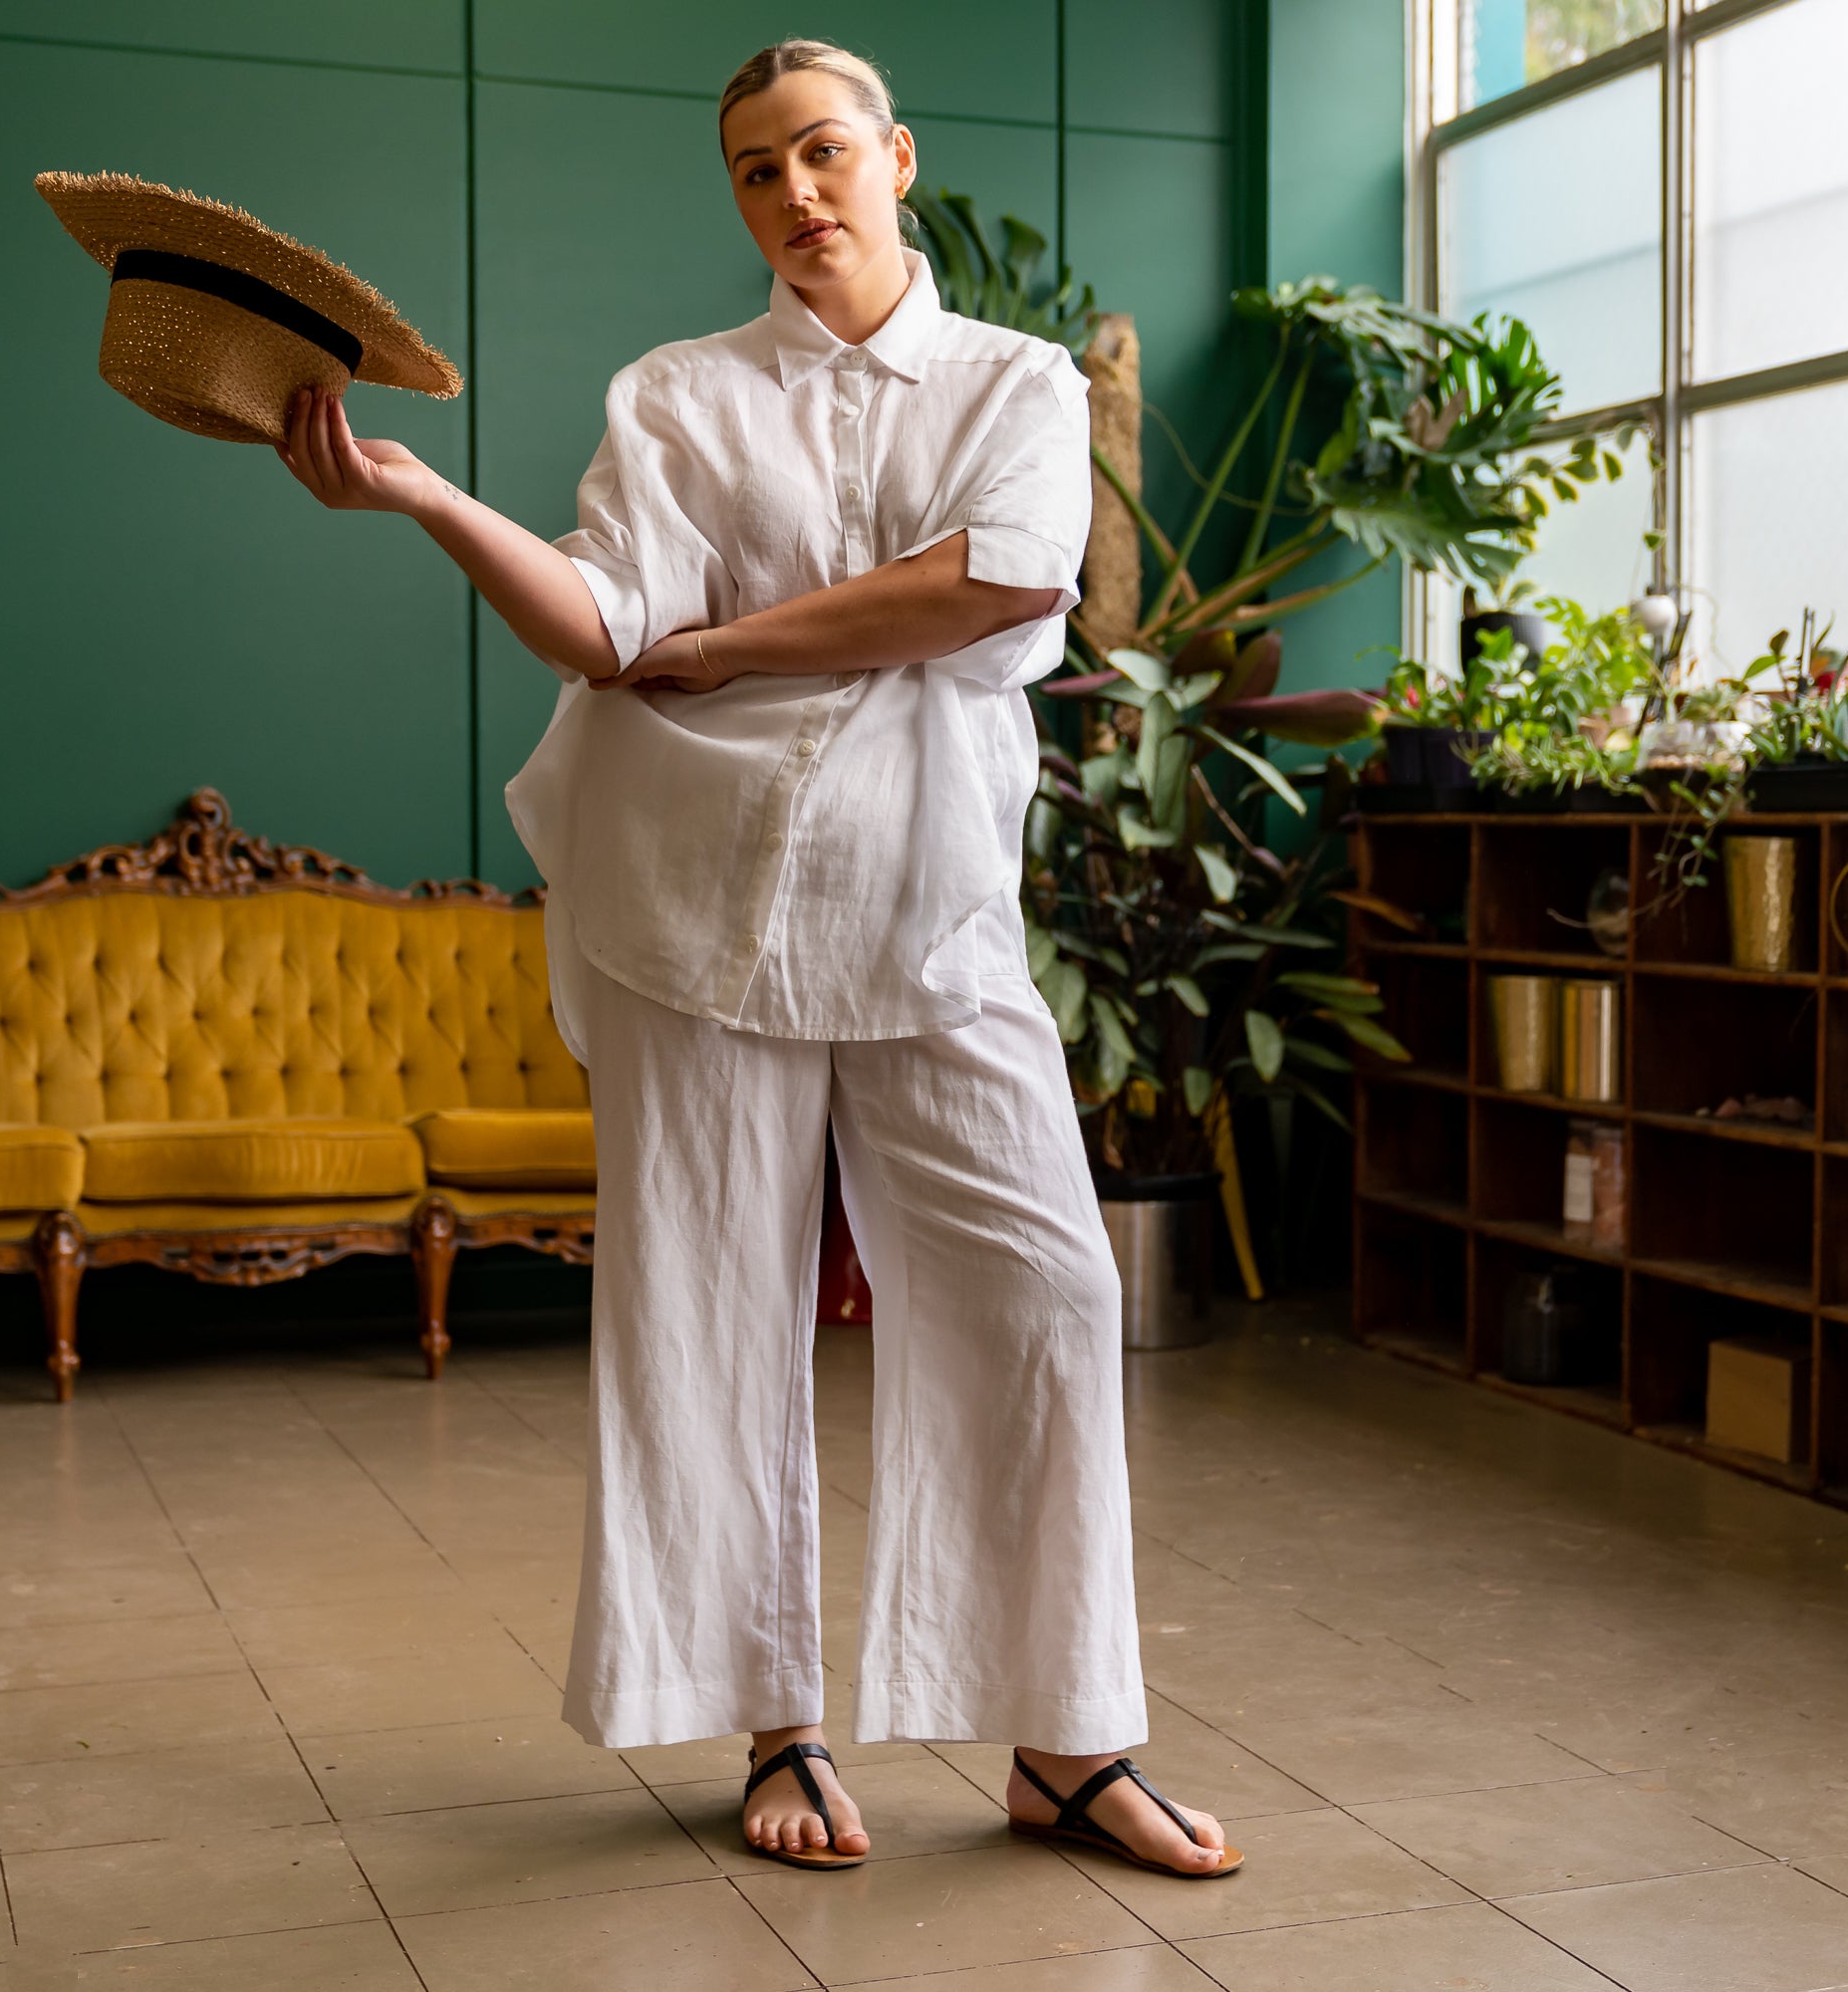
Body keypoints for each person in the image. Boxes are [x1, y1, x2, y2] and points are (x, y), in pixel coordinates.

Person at [271, 38, 1239, 1879]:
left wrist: (722, 649)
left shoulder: (1018, 382)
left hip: (927, 907)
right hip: (691, 907)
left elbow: (1000, 579)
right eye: (753, 170)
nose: (793, 193)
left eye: (821, 152)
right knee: (705, 1317)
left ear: (896, 157)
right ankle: (775, 1724)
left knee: (1048, 1291)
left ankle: (1066, 1747)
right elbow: (602, 625)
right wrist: (431, 504)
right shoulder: (677, 395)